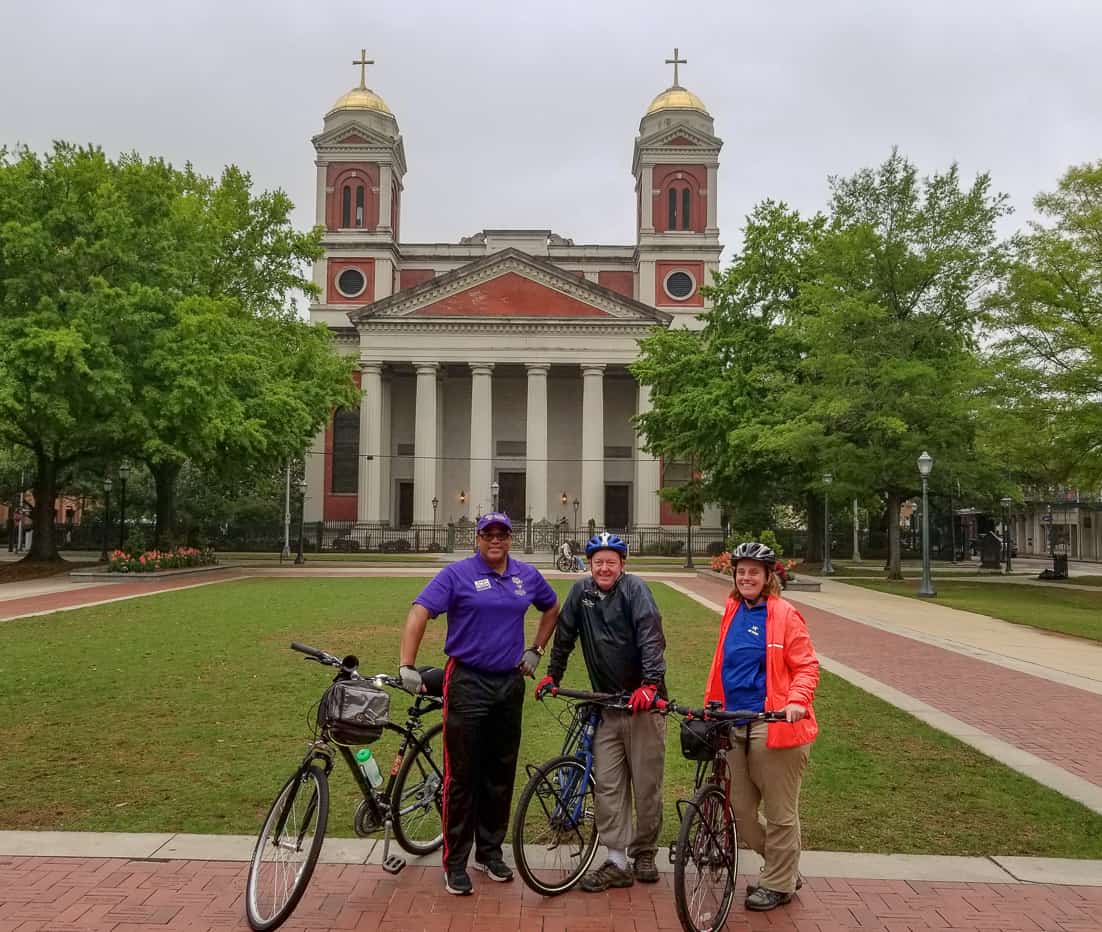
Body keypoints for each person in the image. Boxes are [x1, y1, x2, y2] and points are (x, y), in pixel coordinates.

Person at [399, 512, 559, 896]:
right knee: (463, 775)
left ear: (510, 538)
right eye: (488, 534)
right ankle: (455, 862)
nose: (495, 540)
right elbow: (420, 611)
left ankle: (489, 852)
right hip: (467, 680)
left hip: (509, 682)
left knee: (500, 771)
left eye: (502, 534)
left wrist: (536, 649)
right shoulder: (457, 574)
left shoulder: (525, 576)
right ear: (477, 537)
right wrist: (407, 663)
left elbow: (552, 607)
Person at [536, 531, 667, 892]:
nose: (604, 568)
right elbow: (564, 636)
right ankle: (616, 860)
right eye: (598, 562)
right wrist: (552, 675)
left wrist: (650, 684)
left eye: (611, 562)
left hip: (643, 706)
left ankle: (644, 851)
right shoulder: (581, 593)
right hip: (607, 705)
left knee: (646, 786)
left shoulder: (635, 591)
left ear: (622, 564)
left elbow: (651, 636)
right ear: (589, 564)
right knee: (608, 786)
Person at [703, 540, 819, 912]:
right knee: (737, 808)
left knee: (781, 812)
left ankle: (778, 883)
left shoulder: (785, 614)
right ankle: (786, 869)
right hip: (732, 720)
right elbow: (725, 663)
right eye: (741, 571)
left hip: (773, 723)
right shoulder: (732, 609)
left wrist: (797, 701)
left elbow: (806, 665)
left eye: (754, 571)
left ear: (769, 576)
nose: (746, 577)